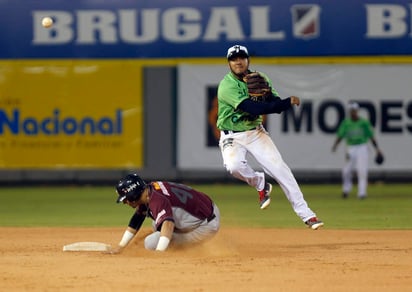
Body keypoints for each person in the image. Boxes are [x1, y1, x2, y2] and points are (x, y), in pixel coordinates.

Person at [216, 44, 324, 230]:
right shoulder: (227, 86)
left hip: (255, 132)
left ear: (248, 59)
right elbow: (254, 108)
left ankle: (307, 215)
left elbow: (273, 102)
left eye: (241, 57)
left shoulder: (260, 78)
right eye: (234, 59)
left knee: (280, 170)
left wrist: (280, 103)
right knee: (234, 167)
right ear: (229, 63)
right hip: (231, 136)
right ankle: (260, 182)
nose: (238, 61)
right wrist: (286, 103)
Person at [107, 173, 220, 253]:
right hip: (207, 209)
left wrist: (159, 252)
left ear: (133, 194)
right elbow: (137, 218)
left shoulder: (156, 199)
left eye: (125, 198)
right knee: (157, 223)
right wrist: (121, 246)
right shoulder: (149, 191)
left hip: (206, 226)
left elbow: (168, 224)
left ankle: (183, 251)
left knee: (151, 242)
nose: (125, 202)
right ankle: (172, 239)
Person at [331, 101, 383, 199]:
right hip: (351, 148)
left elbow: (371, 136)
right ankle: (346, 189)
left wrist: (377, 149)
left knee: (362, 170)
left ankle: (362, 193)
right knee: (346, 171)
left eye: (354, 110)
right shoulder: (346, 123)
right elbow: (340, 136)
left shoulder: (364, 122)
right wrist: (335, 145)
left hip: (362, 147)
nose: (353, 112)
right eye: (351, 111)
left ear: (357, 111)